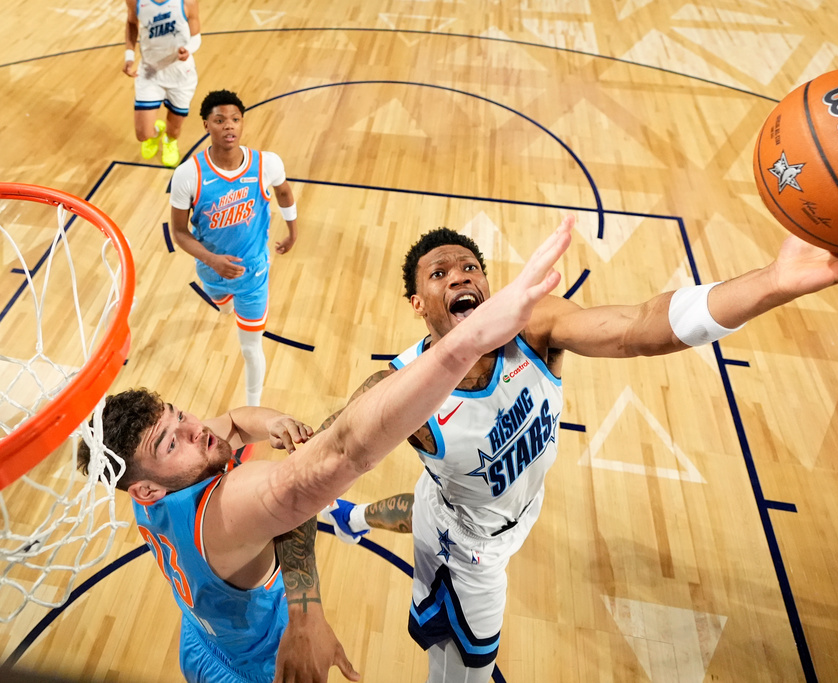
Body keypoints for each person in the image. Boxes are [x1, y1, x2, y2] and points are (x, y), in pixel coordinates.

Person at [321, 216, 838, 682]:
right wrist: (302, 610)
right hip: (471, 557)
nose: (459, 275)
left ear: (488, 285)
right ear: (417, 304)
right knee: (469, 668)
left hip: (487, 505)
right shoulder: (399, 394)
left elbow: (640, 327)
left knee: (431, 499)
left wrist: (776, 282)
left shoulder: (535, 328)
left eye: (470, 267)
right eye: (440, 273)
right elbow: (308, 473)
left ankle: (355, 519)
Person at [77, 221, 573, 683]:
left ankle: (352, 519)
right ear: (143, 484)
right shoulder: (228, 508)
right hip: (259, 665)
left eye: (179, 414)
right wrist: (306, 612)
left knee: (419, 509)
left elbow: (230, 421)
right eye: (171, 438)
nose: (195, 429)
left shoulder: (150, 479)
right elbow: (324, 468)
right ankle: (347, 523)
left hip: (202, 640)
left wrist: (269, 422)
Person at [169, 89, 298, 407]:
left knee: (251, 348)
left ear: (242, 124)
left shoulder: (267, 163)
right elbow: (178, 232)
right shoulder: (188, 174)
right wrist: (212, 259)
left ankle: (252, 408)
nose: (229, 126)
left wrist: (293, 231)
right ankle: (225, 304)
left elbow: (283, 192)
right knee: (222, 304)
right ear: (205, 125)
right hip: (212, 272)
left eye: (235, 119)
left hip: (254, 276)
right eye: (220, 120)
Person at [123, 0, 201, 168]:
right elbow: (131, 22)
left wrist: (189, 50)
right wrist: (129, 56)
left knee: (174, 131)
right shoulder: (135, 2)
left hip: (181, 77)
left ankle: (169, 141)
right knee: (143, 134)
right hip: (150, 74)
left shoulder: (187, 2)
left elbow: (196, 36)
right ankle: (156, 132)